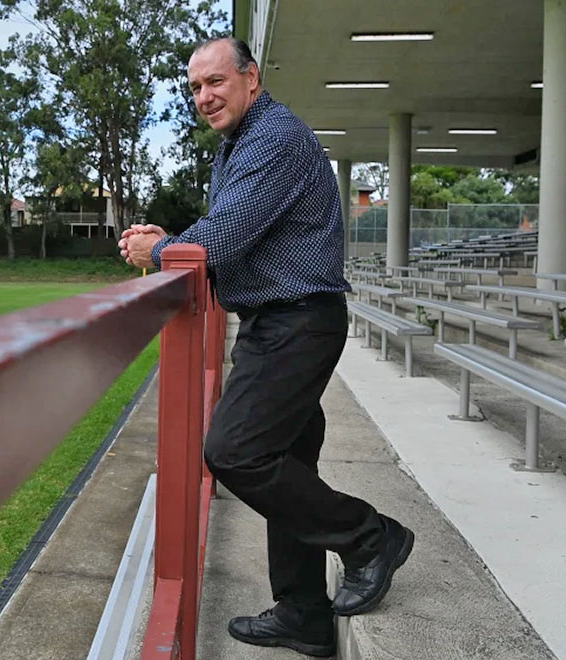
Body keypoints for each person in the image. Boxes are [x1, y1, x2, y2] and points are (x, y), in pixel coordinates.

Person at [118, 37, 414, 657]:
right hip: (273, 322)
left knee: (236, 452)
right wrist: (173, 241)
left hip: (297, 323)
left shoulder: (273, 138)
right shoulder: (240, 143)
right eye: (195, 87)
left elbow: (222, 239)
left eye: (216, 82)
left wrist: (159, 248)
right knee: (288, 459)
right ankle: (304, 612)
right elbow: (225, 234)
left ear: (251, 79)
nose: (204, 97)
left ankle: (369, 538)